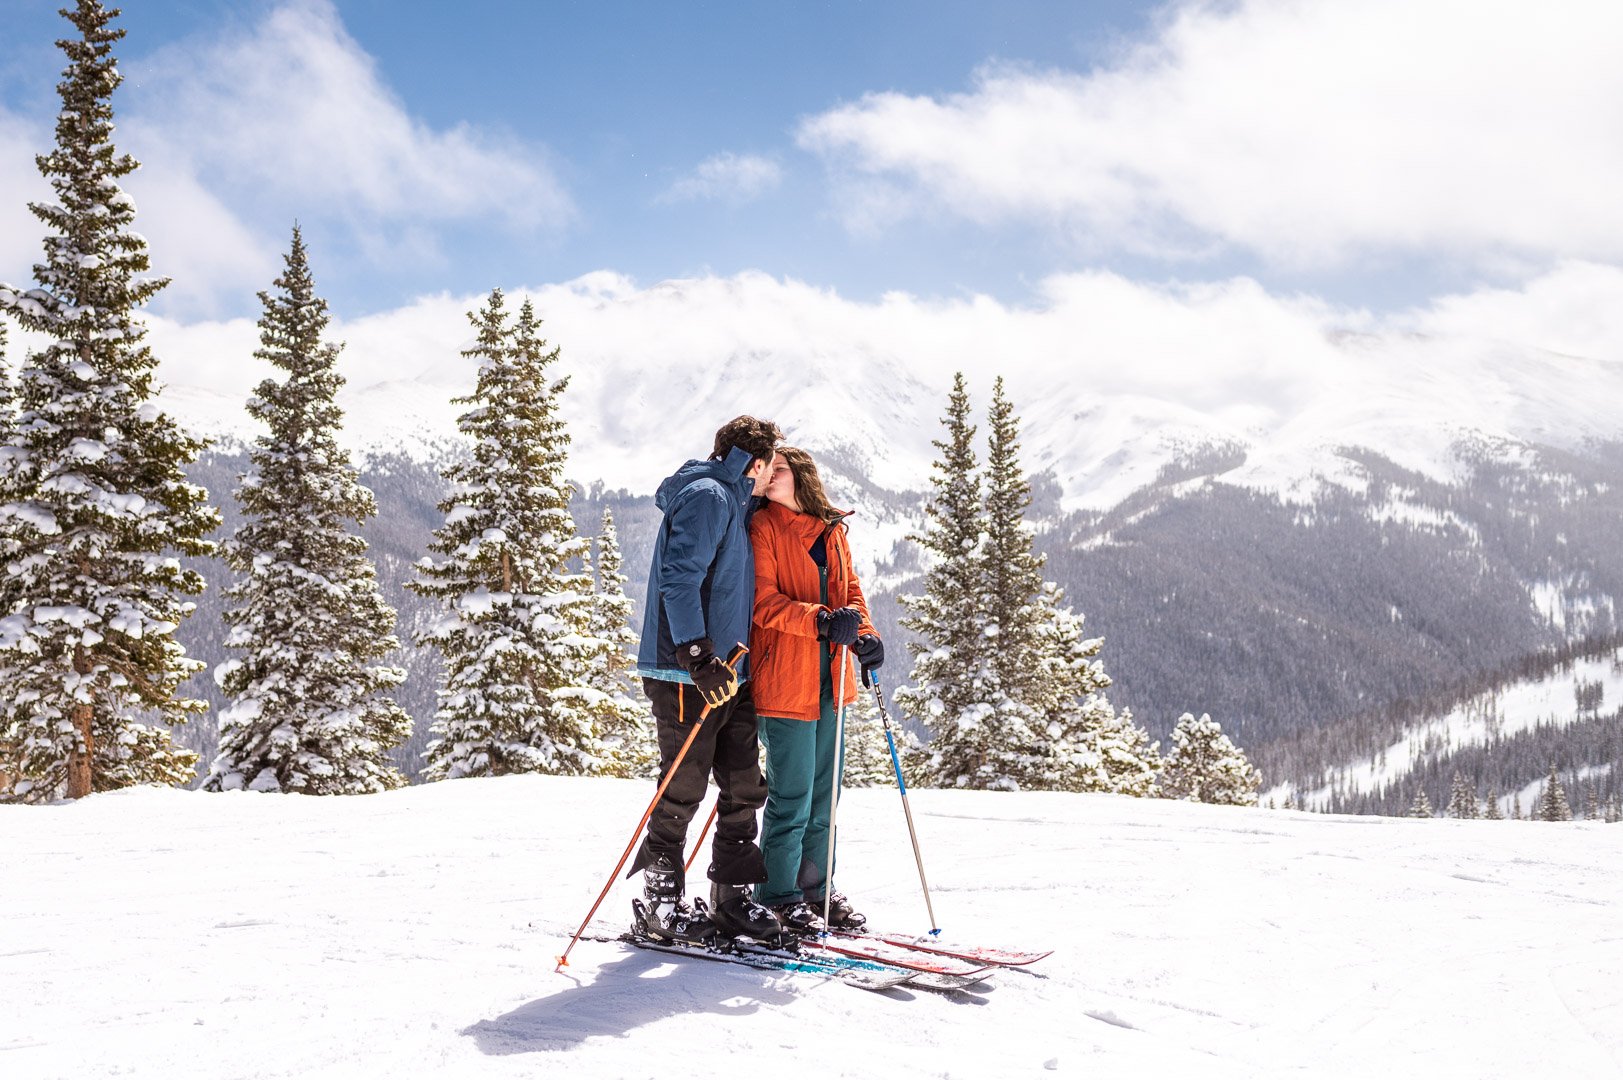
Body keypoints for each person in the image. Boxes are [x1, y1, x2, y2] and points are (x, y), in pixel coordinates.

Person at [628, 415, 787, 945]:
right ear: (756, 464)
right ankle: (660, 902)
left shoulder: (737, 503)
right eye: (771, 470)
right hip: (686, 672)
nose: (770, 481)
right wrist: (697, 654)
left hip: (728, 672)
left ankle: (731, 897)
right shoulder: (710, 497)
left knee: (743, 782)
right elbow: (680, 577)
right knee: (684, 783)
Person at [747, 446, 884, 933]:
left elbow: (851, 595)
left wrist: (866, 636)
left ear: (801, 477)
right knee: (793, 795)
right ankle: (780, 895)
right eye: (764, 473)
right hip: (785, 679)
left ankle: (816, 890)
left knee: (826, 796)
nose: (767, 478)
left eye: (777, 470)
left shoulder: (832, 529)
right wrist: (821, 621)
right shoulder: (763, 527)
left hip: (832, 680)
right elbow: (762, 603)